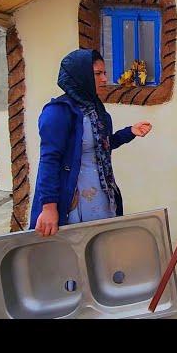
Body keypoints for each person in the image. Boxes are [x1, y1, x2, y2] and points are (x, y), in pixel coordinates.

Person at [29, 49, 152, 237]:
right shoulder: (58, 112)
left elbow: (101, 146)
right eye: (97, 74)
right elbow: (49, 161)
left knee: (101, 245)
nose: (104, 79)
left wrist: (129, 132)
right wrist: (49, 207)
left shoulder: (95, 110)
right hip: (74, 198)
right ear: (80, 75)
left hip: (101, 193)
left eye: (104, 73)